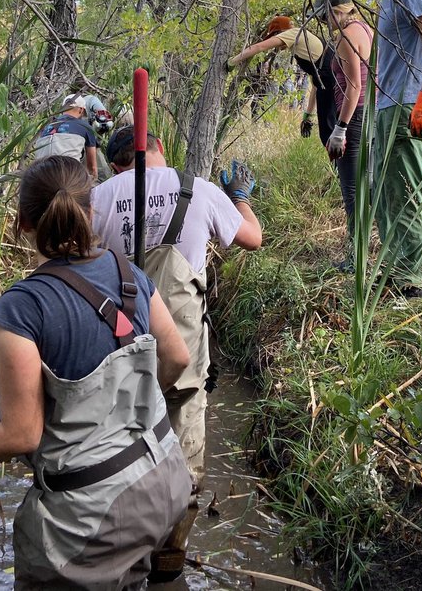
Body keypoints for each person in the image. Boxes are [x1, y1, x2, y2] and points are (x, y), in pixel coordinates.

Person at [0, 156, 193, 589]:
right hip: (166, 478)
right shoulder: (132, 275)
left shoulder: (21, 309)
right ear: (91, 212)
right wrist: (131, 402)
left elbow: (22, 435)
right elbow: (178, 357)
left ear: (23, 224)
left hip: (92, 518)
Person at [91, 125, 262, 579]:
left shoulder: (100, 196)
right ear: (160, 148)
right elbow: (252, 237)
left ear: (116, 165)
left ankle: (124, 554)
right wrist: (239, 196)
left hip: (120, 345)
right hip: (184, 347)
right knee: (184, 441)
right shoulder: (199, 190)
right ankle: (170, 557)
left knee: (123, 440)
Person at [349, 0, 422, 299]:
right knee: (386, 193)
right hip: (387, 107)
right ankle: (394, 267)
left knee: (406, 190)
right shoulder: (386, 2)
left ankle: (414, 277)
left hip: (408, 105)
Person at [309, 0, 374, 272]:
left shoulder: (348, 37)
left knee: (352, 190)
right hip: (366, 116)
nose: (324, 22)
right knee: (363, 187)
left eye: (325, 16)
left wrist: (340, 129)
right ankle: (362, 253)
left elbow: (354, 86)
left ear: (337, 11)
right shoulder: (364, 28)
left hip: (354, 117)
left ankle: (356, 259)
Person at [227, 15, 338, 146]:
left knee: (330, 133)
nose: (276, 46)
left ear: (280, 32)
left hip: (333, 85)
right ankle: (337, 165)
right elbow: (317, 83)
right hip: (332, 84)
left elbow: (260, 47)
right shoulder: (303, 41)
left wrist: (233, 61)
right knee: (329, 132)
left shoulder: (293, 33)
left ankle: (338, 165)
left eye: (275, 36)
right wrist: (308, 115)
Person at [33, 93, 103, 180]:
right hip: (67, 176)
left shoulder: (47, 127)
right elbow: (92, 168)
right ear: (81, 110)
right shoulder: (85, 127)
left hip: (39, 175)